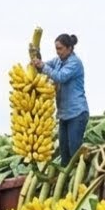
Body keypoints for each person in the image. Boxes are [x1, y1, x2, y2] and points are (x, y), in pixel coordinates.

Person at [31, 34, 88, 165]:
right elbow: (45, 67)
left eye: (60, 48)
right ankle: (67, 183)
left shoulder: (75, 63)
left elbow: (60, 77)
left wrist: (43, 67)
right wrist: (37, 63)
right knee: (64, 155)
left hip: (77, 113)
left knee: (74, 153)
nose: (58, 52)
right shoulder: (58, 61)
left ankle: (79, 179)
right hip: (64, 115)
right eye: (56, 49)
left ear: (69, 48)